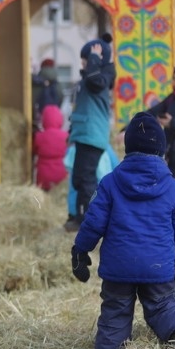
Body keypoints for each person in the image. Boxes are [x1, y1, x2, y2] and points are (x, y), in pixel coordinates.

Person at [71, 112, 175, 349]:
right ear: (162, 150)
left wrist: (80, 251)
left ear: (127, 148)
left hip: (119, 268)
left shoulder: (110, 183)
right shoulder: (172, 186)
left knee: (116, 313)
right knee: (163, 305)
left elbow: (93, 221)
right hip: (158, 267)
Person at [65, 34, 115, 231]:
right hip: (85, 135)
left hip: (92, 136)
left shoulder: (99, 80)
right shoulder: (91, 78)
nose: (84, 65)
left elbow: (95, 81)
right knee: (79, 178)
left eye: (86, 61)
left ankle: (89, 220)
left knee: (86, 180)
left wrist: (94, 59)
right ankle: (79, 216)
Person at [34, 104, 68, 191]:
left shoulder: (39, 136)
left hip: (43, 177)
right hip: (61, 175)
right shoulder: (65, 136)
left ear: (44, 120)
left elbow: (34, 151)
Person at [32, 58, 63, 130]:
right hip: (54, 119)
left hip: (38, 120)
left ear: (42, 67)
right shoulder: (58, 84)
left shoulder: (36, 81)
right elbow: (61, 97)